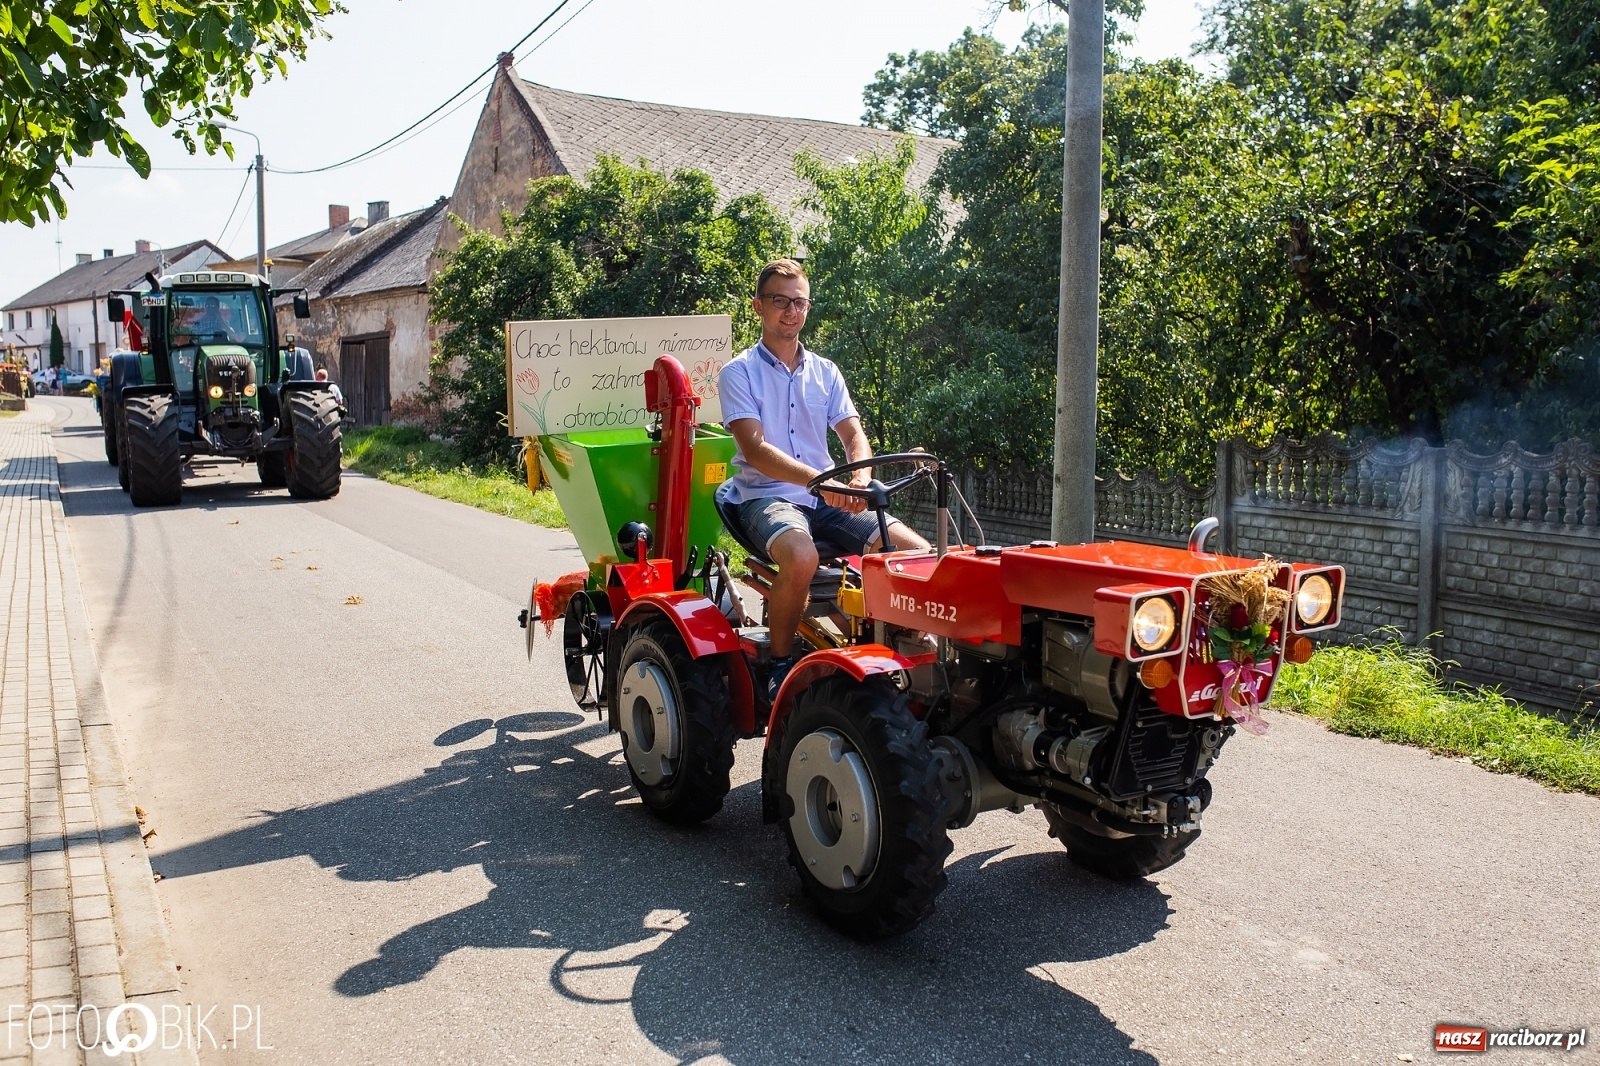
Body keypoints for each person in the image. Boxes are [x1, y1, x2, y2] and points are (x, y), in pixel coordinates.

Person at [718, 258, 930, 698]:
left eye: (800, 302)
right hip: (765, 497)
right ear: (758, 306)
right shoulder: (738, 373)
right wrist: (822, 481)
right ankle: (779, 665)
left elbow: (854, 435)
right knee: (801, 556)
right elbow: (756, 451)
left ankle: (897, 652)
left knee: (917, 553)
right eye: (780, 301)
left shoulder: (825, 371)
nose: (791, 311)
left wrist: (859, 480)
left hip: (826, 498)